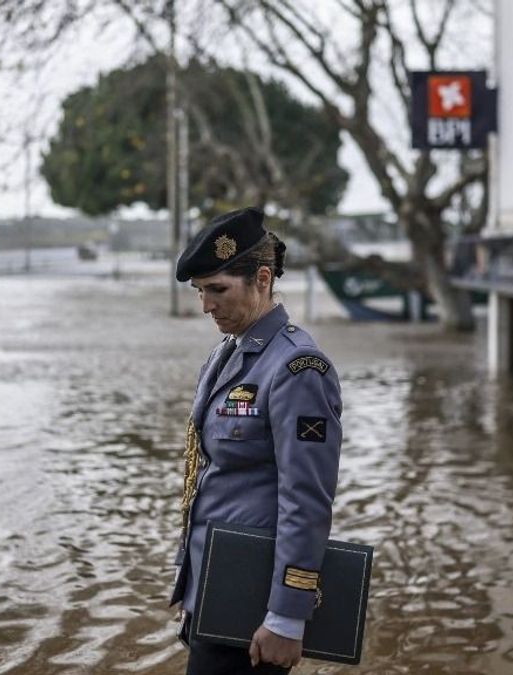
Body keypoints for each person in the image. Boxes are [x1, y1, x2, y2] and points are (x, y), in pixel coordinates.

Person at [170, 207, 343, 674]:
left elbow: (306, 499)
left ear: (262, 279)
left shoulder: (298, 369)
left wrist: (288, 615)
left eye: (218, 289)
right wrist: (190, 586)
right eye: (201, 291)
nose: (206, 305)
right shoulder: (227, 353)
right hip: (214, 588)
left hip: (255, 605)